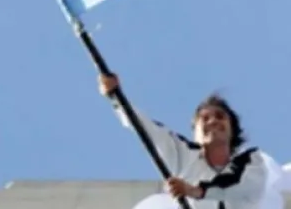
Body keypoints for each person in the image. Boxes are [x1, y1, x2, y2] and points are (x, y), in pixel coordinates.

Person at [98, 73, 269, 209]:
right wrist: (117, 98)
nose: (213, 121)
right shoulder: (184, 155)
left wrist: (196, 191)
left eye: (220, 117)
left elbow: (238, 185)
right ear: (195, 132)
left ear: (233, 130)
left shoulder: (252, 162)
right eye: (205, 119)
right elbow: (147, 129)